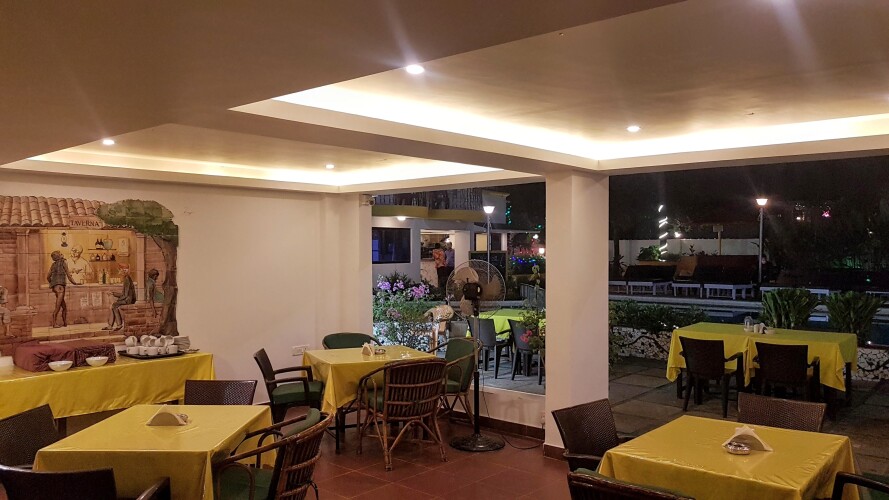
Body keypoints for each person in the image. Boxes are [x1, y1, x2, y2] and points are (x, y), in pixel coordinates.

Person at [47, 250, 76, 328]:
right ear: (59, 256)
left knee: (64, 307)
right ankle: (54, 323)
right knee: (58, 306)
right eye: (60, 254)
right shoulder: (63, 263)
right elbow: (69, 276)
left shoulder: (53, 265)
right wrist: (75, 283)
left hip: (55, 287)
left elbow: (48, 277)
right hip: (60, 288)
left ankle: (65, 322)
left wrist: (52, 284)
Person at [103, 264, 136, 331]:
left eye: (120, 270)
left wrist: (118, 300)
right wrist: (113, 293)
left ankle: (118, 325)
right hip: (128, 298)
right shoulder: (127, 278)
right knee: (113, 306)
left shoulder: (127, 279)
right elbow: (124, 294)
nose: (119, 272)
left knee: (114, 305)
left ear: (123, 271)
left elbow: (125, 295)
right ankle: (111, 325)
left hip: (129, 300)